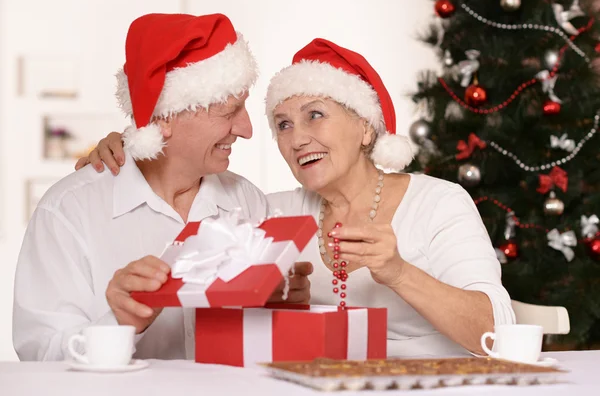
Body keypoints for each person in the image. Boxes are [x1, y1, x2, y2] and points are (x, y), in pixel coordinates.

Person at [79, 38, 516, 357]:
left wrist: (399, 273)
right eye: (283, 125)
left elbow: (497, 332)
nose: (298, 138)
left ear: (366, 127)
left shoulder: (437, 203)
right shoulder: (271, 212)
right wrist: (131, 149)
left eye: (316, 116)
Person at [13, 13, 312, 362]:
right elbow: (41, 358)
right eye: (230, 111)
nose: (246, 129)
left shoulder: (246, 200)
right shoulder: (69, 211)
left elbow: (265, 349)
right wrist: (119, 322)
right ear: (165, 117)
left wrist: (282, 301)